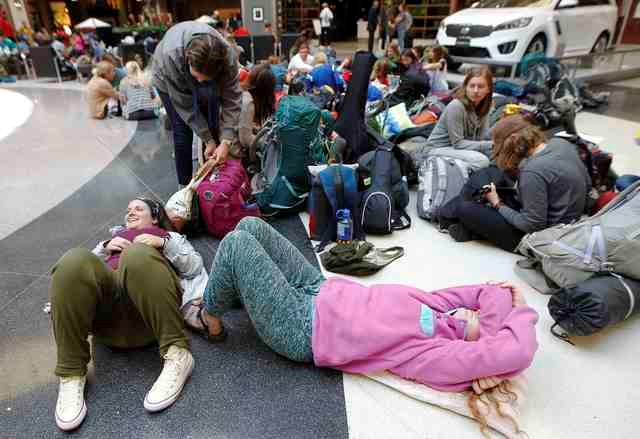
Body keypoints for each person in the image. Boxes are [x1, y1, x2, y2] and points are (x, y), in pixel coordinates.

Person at [198, 217, 538, 431]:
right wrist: (492, 323)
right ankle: (242, 292)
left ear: (482, 345)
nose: (474, 312)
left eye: (484, 321)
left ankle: (209, 316)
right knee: (250, 227)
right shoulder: (440, 309)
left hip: (303, 327)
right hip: (319, 288)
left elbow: (516, 352)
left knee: (236, 244)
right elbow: (489, 291)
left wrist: (519, 312)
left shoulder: (434, 353)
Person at [49, 198, 208, 431]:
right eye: (128, 210)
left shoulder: (168, 237)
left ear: (154, 217)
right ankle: (71, 372)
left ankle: (178, 354)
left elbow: (194, 266)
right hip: (108, 320)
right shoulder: (113, 241)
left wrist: (163, 244)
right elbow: (79, 274)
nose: (131, 212)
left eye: (138, 208)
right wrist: (104, 248)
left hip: (149, 318)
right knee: (73, 259)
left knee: (136, 254)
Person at [443, 115, 592, 252]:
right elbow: (588, 184)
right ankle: (464, 226)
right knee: (492, 180)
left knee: (465, 207)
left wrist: (497, 204)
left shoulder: (533, 172)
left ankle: (454, 221)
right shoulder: (560, 143)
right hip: (569, 223)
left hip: (541, 238)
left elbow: (531, 225)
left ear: (512, 141)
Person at [152, 21, 242, 187]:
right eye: (198, 76)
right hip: (166, 78)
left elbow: (232, 98)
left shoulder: (227, 57)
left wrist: (226, 141)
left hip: (203, 69)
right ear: (188, 58)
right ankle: (184, 189)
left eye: (205, 79)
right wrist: (207, 138)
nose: (200, 81)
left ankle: (212, 178)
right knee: (182, 132)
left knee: (213, 122)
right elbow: (185, 106)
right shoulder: (171, 56)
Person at [425, 67, 494, 171]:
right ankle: (443, 171)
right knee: (481, 161)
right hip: (438, 149)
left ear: (488, 89)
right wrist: (491, 145)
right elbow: (458, 144)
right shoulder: (456, 106)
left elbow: (482, 138)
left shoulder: (485, 107)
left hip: (460, 150)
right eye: (472, 86)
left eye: (480, 87)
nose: (475, 90)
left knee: (497, 156)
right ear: (465, 87)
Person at [238, 63, 276, 158]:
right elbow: (245, 139)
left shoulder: (245, 97)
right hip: (236, 155)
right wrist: (269, 144)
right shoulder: (248, 102)